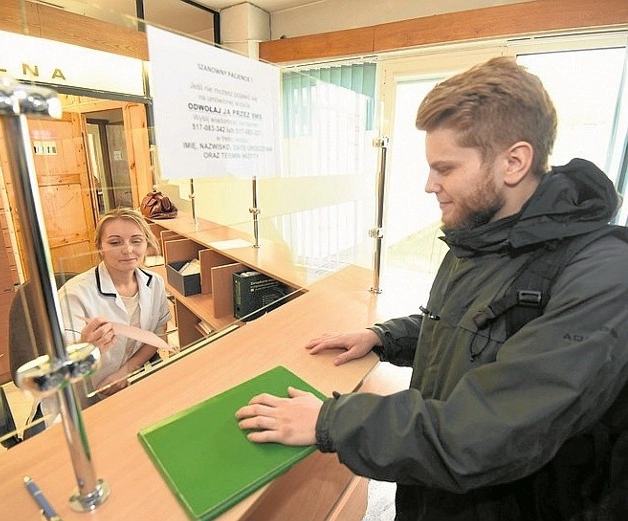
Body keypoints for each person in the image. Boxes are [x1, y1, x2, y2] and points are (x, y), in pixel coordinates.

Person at [235, 57, 628, 520]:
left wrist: (331, 421)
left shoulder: (605, 274)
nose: (429, 185)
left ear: (514, 161)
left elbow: (491, 432)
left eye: (445, 168)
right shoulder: (481, 235)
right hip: (435, 493)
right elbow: (474, 328)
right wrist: (387, 337)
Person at [58, 208, 171, 402]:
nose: (127, 250)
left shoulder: (155, 282)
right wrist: (85, 348)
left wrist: (125, 372)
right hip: (85, 392)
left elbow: (156, 338)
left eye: (136, 240)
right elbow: (64, 366)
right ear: (99, 248)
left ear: (146, 244)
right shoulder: (75, 294)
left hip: (131, 382)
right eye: (115, 242)